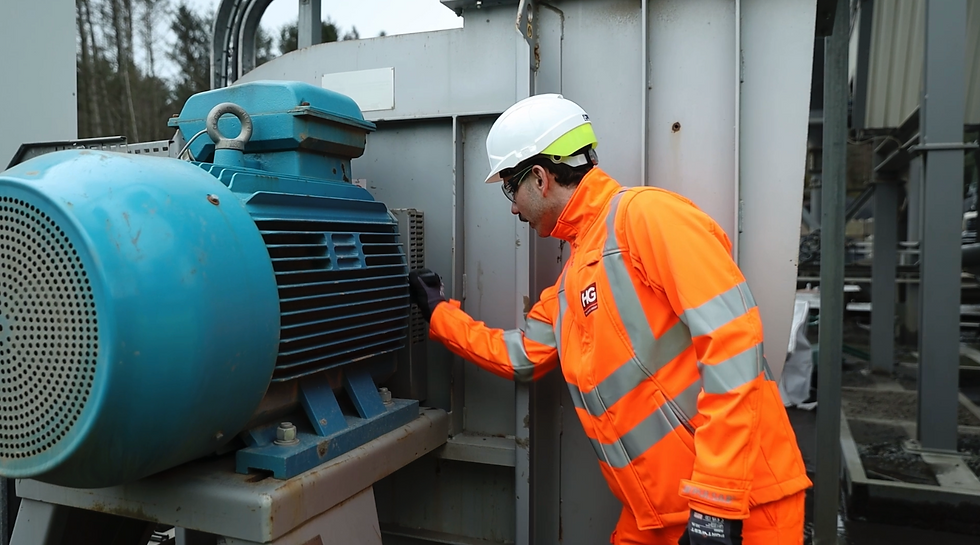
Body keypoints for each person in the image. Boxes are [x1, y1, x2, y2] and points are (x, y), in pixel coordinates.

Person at [407, 94, 811, 545]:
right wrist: (439, 313)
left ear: (539, 178)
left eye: (509, 187)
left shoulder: (647, 217)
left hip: (741, 508)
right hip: (655, 516)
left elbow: (733, 343)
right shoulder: (572, 282)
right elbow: (521, 355)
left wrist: (716, 502)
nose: (512, 207)